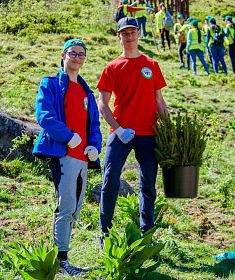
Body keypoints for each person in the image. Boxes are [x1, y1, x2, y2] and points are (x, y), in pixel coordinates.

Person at [32, 38, 102, 276]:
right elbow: (44, 115)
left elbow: (94, 124)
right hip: (63, 154)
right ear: (63, 55)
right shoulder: (50, 84)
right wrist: (67, 136)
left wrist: (95, 146)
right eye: (73, 53)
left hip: (83, 158)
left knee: (75, 209)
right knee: (66, 206)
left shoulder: (86, 91)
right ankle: (60, 262)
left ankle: (62, 256)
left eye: (81, 54)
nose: (77, 57)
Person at [97, 17, 168, 248]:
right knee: (109, 182)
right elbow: (103, 104)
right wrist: (117, 129)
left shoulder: (152, 65)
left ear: (139, 34)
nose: (129, 37)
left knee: (148, 185)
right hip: (120, 134)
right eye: (124, 33)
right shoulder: (112, 67)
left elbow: (160, 101)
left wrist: (169, 129)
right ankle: (104, 234)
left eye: (132, 32)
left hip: (148, 134)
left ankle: (147, 236)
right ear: (119, 36)